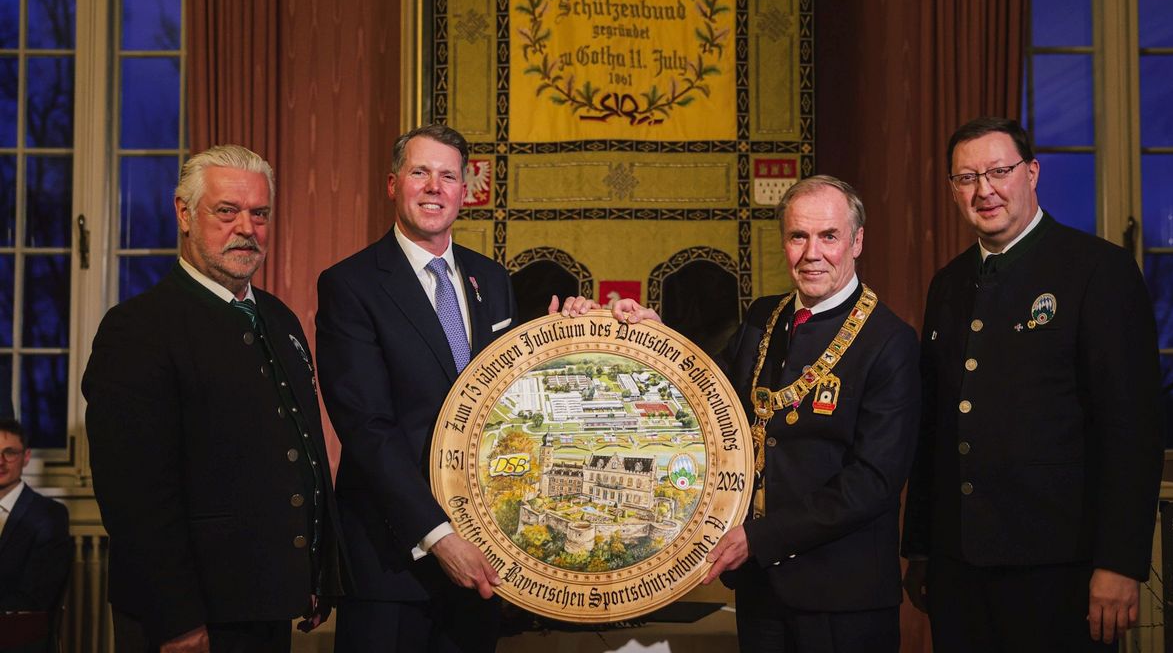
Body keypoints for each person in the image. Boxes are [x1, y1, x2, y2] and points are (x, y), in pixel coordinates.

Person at [595, 175, 921, 653]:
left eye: (828, 236)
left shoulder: (889, 342)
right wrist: (651, 336)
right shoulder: (761, 318)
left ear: (857, 241)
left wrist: (759, 537)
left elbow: (872, 481)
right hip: (760, 589)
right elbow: (702, 397)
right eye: (798, 236)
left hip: (841, 596)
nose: (812, 253)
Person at [901, 117, 1164, 651]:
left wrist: (1119, 563)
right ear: (953, 190)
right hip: (959, 569)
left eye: (999, 171)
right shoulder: (948, 285)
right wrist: (923, 548)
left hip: (1059, 569)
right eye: (967, 178)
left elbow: (1132, 430)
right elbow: (935, 430)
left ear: (1032, 173)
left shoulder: (1097, 270)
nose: (985, 190)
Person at [82, 145, 341, 653]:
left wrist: (315, 572)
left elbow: (302, 455)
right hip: (188, 619)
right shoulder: (137, 330)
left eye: (259, 213)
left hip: (268, 603)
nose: (246, 227)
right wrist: (176, 618)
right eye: (227, 211)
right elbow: (134, 499)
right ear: (184, 213)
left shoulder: (280, 318)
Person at [319, 124, 556, 652]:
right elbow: (366, 428)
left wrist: (580, 333)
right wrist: (438, 536)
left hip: (482, 562)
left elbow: (515, 402)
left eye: (448, 176)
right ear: (392, 184)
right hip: (393, 562)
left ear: (463, 190)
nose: (434, 187)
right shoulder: (350, 285)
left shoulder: (491, 280)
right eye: (420, 172)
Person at [0, 418, 72, 616]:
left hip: (16, 636)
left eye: (10, 453)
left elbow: (37, 596)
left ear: (26, 457)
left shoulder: (50, 516)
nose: (0, 461)